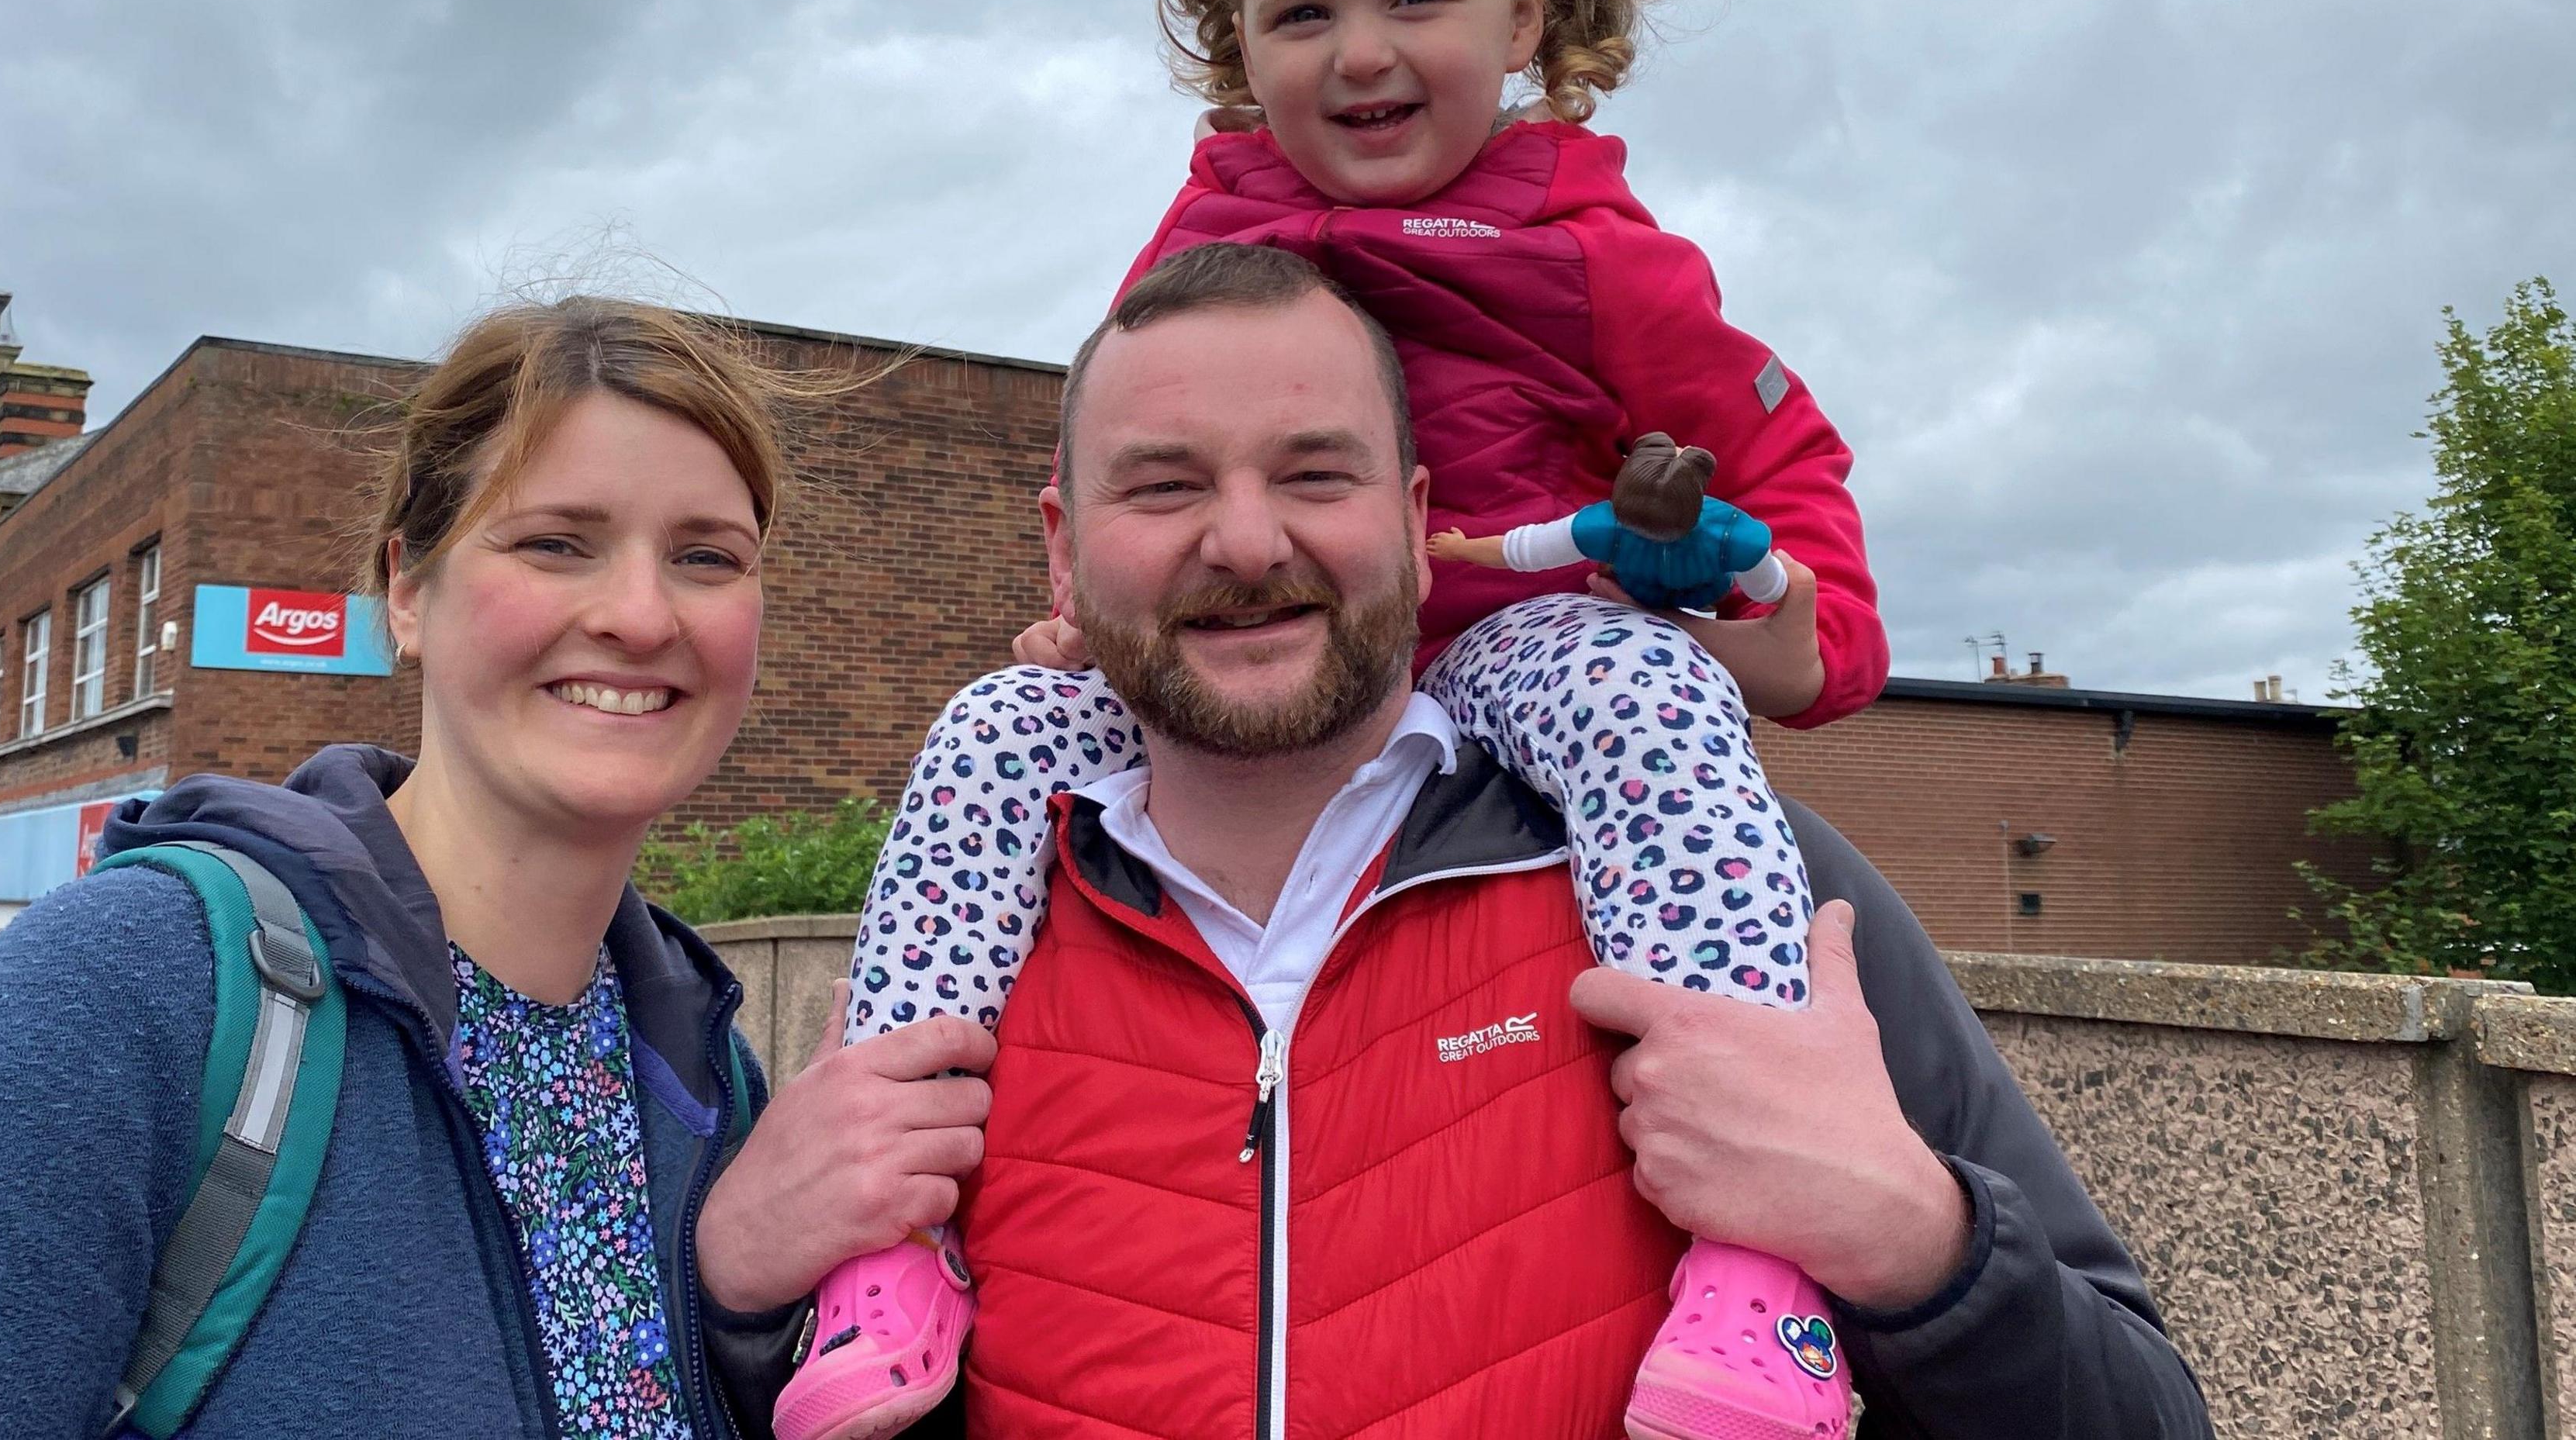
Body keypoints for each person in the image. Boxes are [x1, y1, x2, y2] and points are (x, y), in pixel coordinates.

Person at [795, 0, 1883, 1437]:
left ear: (1524, 7)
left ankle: (1757, 1278)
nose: (1360, 54)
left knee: (1651, 704)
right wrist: (1099, 611)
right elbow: (1137, 438)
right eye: (1304, 13)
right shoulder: (1206, 226)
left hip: (1511, 646)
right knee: (992, 732)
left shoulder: (1599, 256)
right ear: (1241, 43)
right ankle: (887, 1246)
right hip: (1255, 699)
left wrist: (1798, 625)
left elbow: (1778, 455)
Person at [843, 247, 2201, 1435]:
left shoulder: (1729, 873)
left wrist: (1920, 1247)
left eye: (1318, 473)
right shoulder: (967, 929)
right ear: (1063, 553)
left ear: (1426, 530)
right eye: (1163, 487)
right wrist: (734, 1304)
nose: (1248, 540)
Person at [0, 299, 989, 1438]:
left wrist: (728, 1302)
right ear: (406, 586)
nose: (644, 615)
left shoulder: (703, 1069)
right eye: (558, 542)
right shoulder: (128, 1004)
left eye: (708, 556)